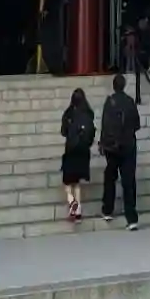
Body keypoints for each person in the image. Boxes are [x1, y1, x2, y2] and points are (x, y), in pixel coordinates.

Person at [99, 73, 142, 230]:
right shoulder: (130, 102)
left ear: (113, 86)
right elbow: (137, 125)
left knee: (110, 177)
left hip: (112, 147)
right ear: (124, 85)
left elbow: (104, 125)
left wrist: (103, 143)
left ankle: (108, 209)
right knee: (128, 181)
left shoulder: (109, 102)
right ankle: (131, 218)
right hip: (128, 145)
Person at [60, 88, 96, 222]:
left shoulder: (68, 114)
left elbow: (63, 132)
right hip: (83, 152)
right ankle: (78, 210)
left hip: (71, 151)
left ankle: (72, 202)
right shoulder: (88, 114)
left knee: (68, 183)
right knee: (77, 183)